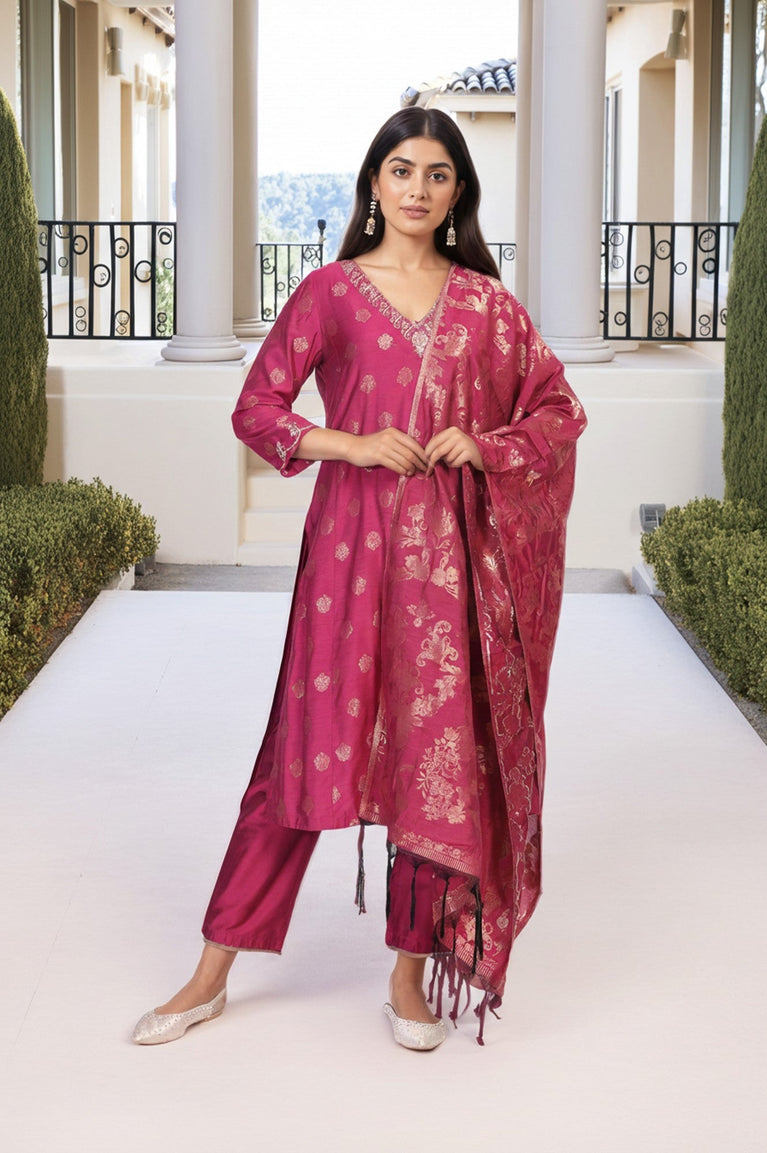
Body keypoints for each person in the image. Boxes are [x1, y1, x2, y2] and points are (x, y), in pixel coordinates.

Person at [132, 107, 586, 1051]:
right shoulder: (331, 292)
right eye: (401, 169)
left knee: (434, 764)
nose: (418, 188)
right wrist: (352, 443)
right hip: (347, 557)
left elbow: (556, 411)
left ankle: (408, 977)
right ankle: (210, 972)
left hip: (449, 575)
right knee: (300, 757)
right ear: (373, 184)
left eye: (438, 174)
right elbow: (256, 408)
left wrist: (486, 444)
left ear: (458, 193)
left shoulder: (488, 307)